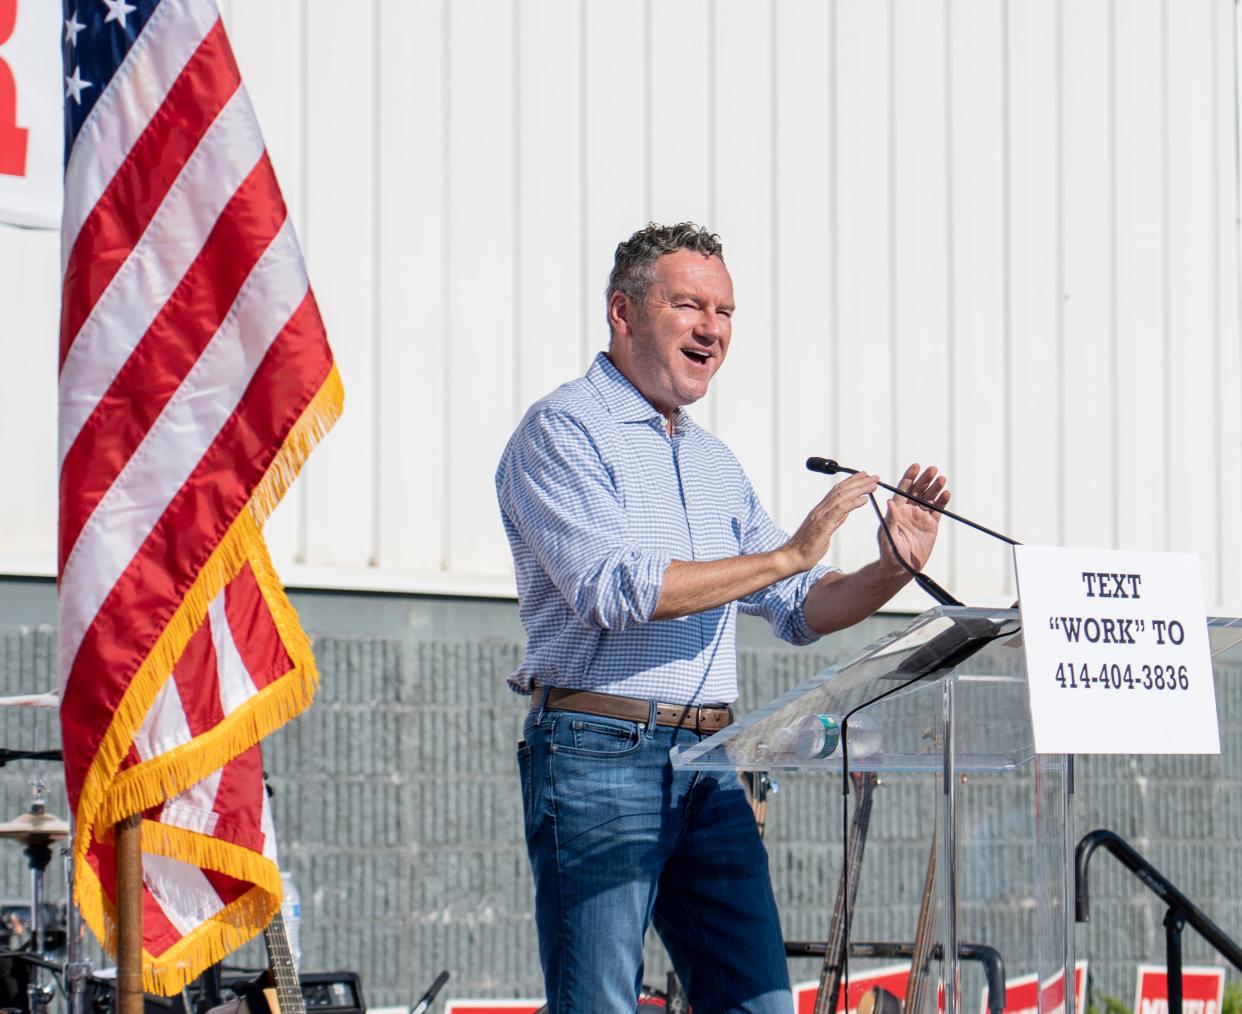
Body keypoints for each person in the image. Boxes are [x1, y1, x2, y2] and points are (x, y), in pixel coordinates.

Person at [495, 222, 950, 1014]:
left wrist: (889, 569)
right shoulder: (561, 431)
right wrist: (788, 555)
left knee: (759, 1002)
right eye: (689, 305)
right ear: (623, 311)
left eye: (726, 311)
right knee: (598, 1002)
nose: (712, 328)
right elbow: (612, 588)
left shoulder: (713, 463)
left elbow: (799, 607)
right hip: (601, 751)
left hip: (710, 761)